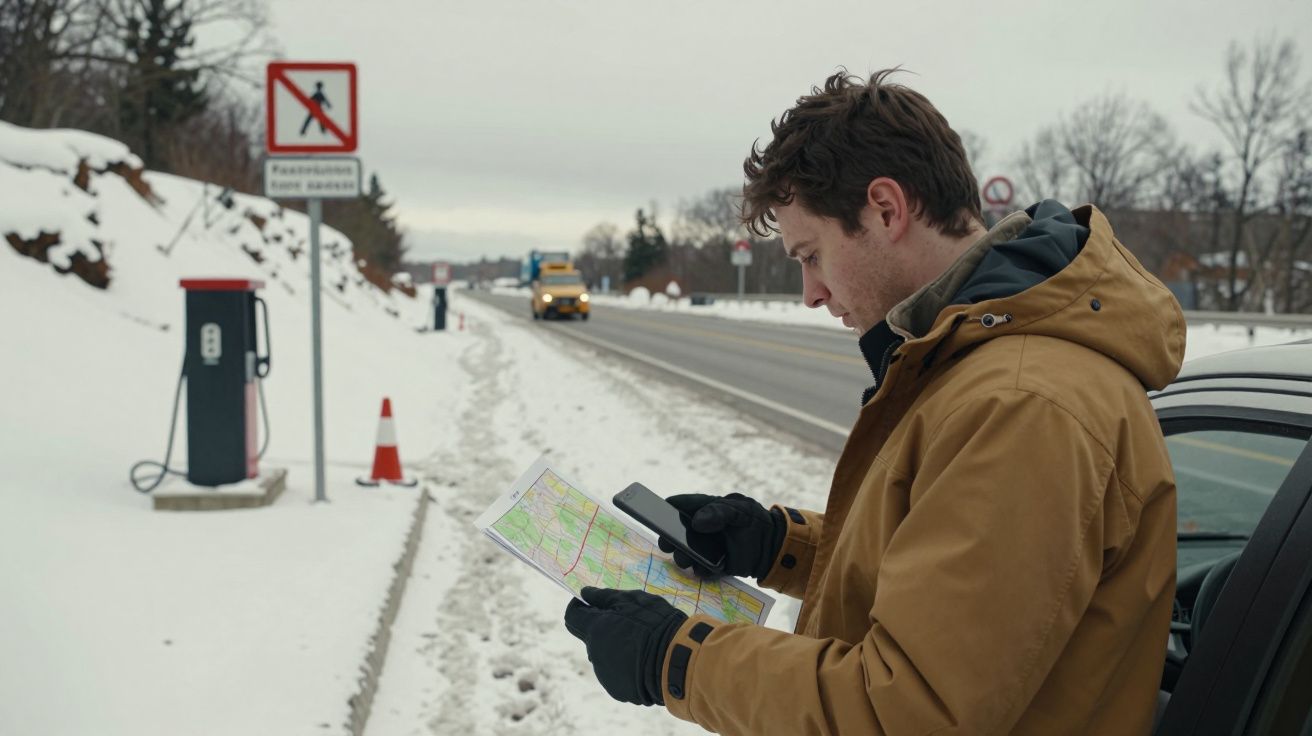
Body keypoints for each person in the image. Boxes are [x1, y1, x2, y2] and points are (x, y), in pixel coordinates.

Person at [563, 69, 1185, 735]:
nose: (810, 292)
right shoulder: (972, 360)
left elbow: (908, 711)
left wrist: (678, 660)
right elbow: (941, 569)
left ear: (886, 209)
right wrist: (779, 543)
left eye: (811, 255)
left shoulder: (1024, 404)